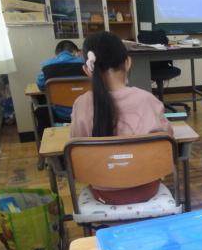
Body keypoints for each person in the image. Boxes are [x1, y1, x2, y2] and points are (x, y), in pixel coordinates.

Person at [70, 31, 173, 205]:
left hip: (103, 193)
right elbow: (169, 143)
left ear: (87, 70)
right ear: (128, 62)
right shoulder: (148, 100)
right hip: (148, 188)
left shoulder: (81, 104)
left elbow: (76, 151)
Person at [35, 40, 84, 121]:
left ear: (56, 54)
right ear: (75, 52)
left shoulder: (47, 66)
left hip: (60, 114)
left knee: (40, 109)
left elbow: (41, 86)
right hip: (85, 113)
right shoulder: (85, 64)